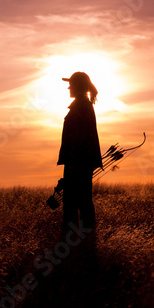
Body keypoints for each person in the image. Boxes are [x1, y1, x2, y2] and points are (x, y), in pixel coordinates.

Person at [58, 72, 102, 232]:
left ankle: (76, 244)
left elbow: (79, 139)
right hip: (78, 163)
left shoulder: (81, 107)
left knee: (74, 203)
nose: (69, 87)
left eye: (71, 84)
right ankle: (84, 244)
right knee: (80, 202)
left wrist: (73, 168)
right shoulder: (82, 105)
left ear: (79, 86)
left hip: (78, 163)